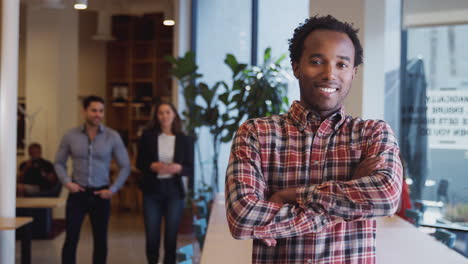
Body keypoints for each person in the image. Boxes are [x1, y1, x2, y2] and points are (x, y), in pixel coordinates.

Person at [225, 15, 403, 264]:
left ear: (353, 73)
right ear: (296, 66)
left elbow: (386, 197)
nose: (330, 73)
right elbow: (243, 218)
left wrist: (291, 195)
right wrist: (347, 199)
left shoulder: (373, 133)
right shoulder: (256, 134)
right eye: (317, 61)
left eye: (341, 64)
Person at [55, 95, 130, 264]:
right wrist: (67, 182)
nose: (98, 114)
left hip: (100, 194)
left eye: (101, 111)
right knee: (71, 239)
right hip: (78, 193)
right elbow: (59, 163)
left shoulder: (112, 136)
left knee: (101, 241)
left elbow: (125, 165)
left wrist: (113, 189)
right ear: (84, 111)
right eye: (94, 110)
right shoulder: (70, 136)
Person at [136, 102, 194, 264]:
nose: (164, 116)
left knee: (171, 236)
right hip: (152, 191)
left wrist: (179, 168)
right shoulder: (147, 136)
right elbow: (139, 162)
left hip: (174, 192)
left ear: (174, 115)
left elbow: (190, 167)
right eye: (160, 113)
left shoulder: (185, 139)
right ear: (156, 116)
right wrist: (151, 165)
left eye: (167, 112)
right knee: (152, 235)